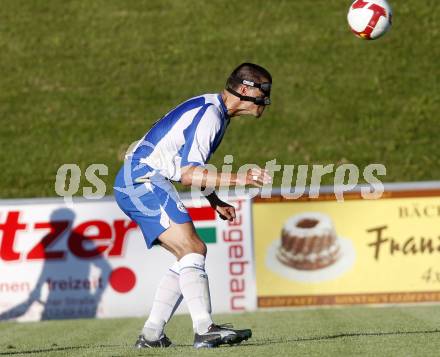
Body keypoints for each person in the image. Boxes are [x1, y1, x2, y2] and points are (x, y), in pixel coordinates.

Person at [114, 63, 272, 348]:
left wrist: (214, 199)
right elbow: (188, 174)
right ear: (245, 90)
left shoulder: (214, 109)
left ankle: (152, 335)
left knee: (190, 253)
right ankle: (204, 328)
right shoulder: (211, 115)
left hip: (139, 178)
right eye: (263, 91)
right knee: (193, 249)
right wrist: (242, 178)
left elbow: (191, 168)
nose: (266, 99)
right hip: (142, 179)